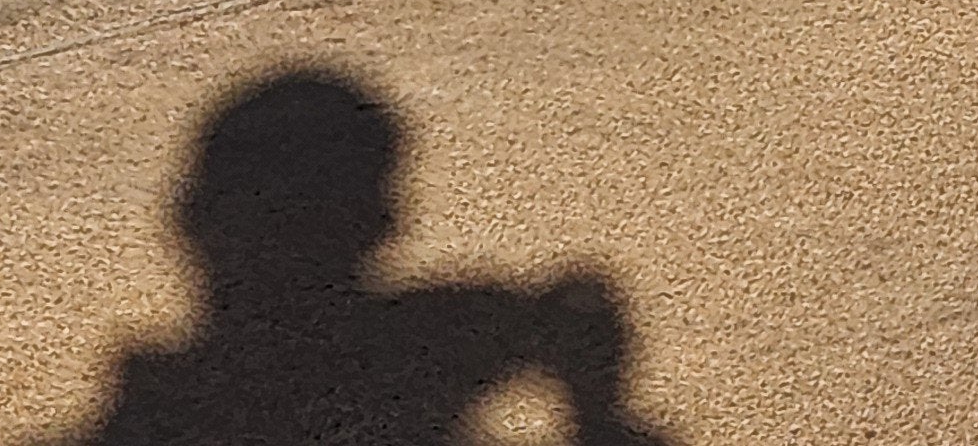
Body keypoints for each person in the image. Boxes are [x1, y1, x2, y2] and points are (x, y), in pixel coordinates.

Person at [40, 68, 672, 446]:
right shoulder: (425, 354)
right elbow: (580, 310)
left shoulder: (153, 421)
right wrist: (600, 419)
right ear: (381, 224)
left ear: (191, 221)